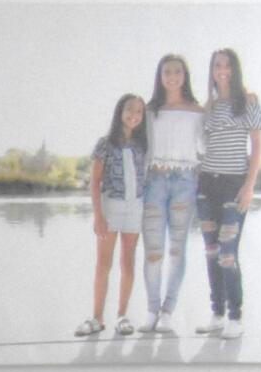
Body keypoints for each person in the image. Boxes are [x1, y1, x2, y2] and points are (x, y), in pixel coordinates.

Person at [195, 46, 261, 338]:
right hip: (206, 184)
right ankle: (217, 313)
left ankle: (235, 317)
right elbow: (200, 145)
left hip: (234, 184)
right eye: (216, 66)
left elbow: (258, 147)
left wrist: (249, 186)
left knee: (227, 254)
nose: (221, 70)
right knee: (211, 252)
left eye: (226, 65)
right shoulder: (208, 107)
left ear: (234, 70)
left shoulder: (248, 101)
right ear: (212, 71)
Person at [140, 53, 202, 335]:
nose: (173, 76)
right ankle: (152, 309)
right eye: (167, 72)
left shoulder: (198, 111)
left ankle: (168, 310)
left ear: (184, 75)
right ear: (160, 76)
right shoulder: (150, 110)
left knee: (177, 249)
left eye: (178, 71)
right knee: (154, 251)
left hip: (185, 183)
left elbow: (206, 148)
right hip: (155, 182)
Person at [79, 93, 149, 339]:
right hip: (111, 206)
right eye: (130, 110)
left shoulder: (142, 146)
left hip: (135, 208)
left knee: (128, 263)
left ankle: (122, 316)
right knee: (103, 265)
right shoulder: (105, 144)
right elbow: (95, 182)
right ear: (120, 112)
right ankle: (97, 318)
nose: (134, 115)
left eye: (139, 112)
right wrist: (98, 215)